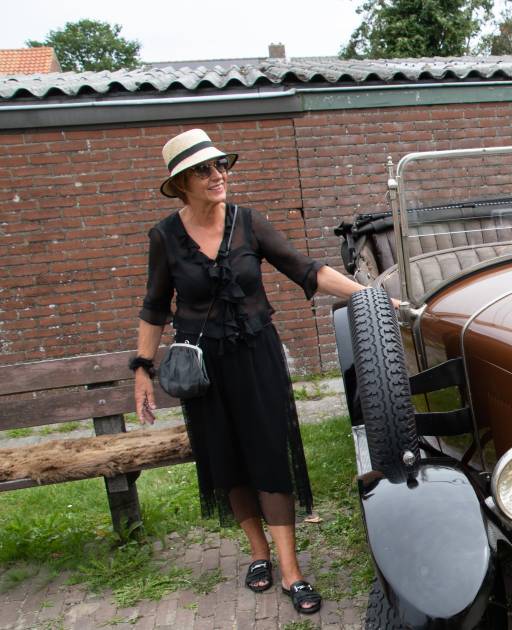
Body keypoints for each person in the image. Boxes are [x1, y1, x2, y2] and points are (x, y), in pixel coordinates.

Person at [130, 129, 382, 615]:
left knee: (269, 453)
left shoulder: (248, 224)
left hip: (255, 356)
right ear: (181, 182)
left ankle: (290, 570)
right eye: (204, 170)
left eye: (221, 165)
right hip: (205, 367)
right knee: (225, 459)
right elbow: (154, 306)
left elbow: (307, 270)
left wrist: (368, 296)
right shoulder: (165, 237)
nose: (217, 175)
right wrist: (142, 369)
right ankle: (258, 553)